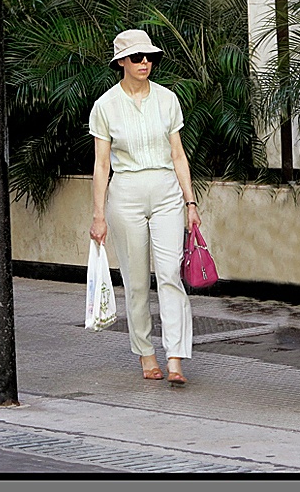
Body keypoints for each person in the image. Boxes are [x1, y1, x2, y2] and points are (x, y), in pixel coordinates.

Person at [89, 29, 200, 386]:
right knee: (136, 281)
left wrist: (191, 202)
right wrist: (98, 214)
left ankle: (176, 359)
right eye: (137, 57)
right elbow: (101, 165)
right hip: (126, 193)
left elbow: (179, 154)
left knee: (170, 274)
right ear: (121, 61)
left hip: (167, 190)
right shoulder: (105, 105)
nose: (145, 63)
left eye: (150, 57)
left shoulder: (168, 99)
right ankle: (147, 355)